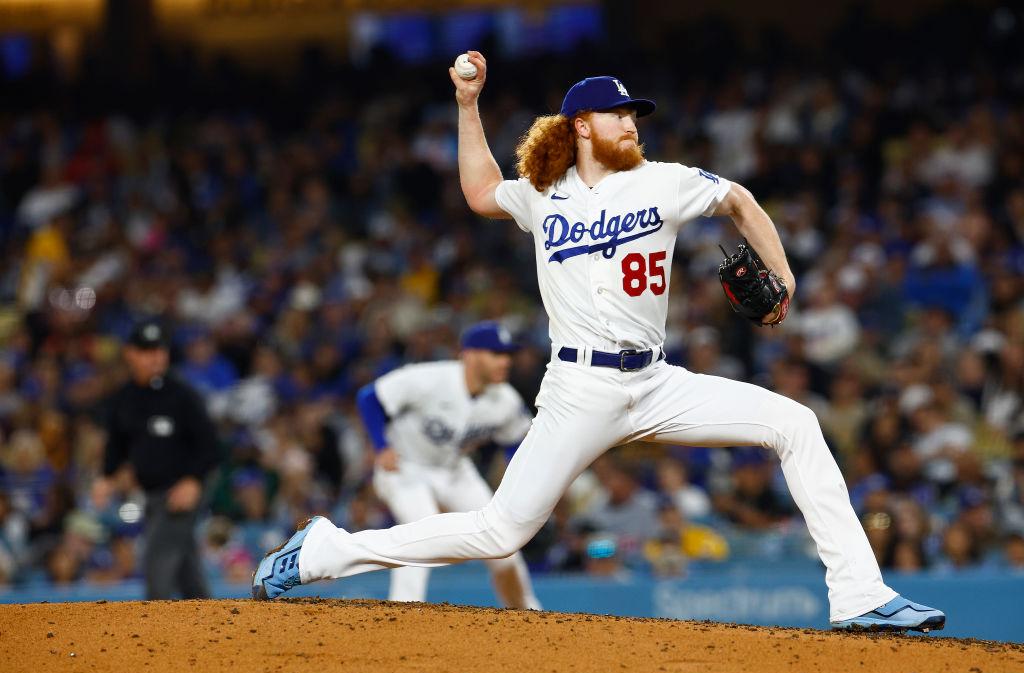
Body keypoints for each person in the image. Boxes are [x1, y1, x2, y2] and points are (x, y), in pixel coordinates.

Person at [253, 52, 945, 632]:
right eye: (620, 114)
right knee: (500, 531)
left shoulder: (664, 182)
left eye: (634, 114)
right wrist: (468, 105)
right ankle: (324, 550)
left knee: (795, 422)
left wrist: (785, 274)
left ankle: (858, 593)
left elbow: (738, 199)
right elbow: (480, 191)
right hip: (579, 389)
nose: (632, 123)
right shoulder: (543, 192)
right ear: (583, 125)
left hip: (657, 382)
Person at [353, 321, 540, 609]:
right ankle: (401, 614)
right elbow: (370, 397)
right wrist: (381, 446)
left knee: (504, 542)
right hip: (405, 466)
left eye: (507, 354)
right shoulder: (430, 379)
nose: (506, 361)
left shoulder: (505, 400)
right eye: (496, 353)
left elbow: (516, 443)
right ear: (470, 354)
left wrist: (518, 482)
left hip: (455, 471)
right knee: (421, 532)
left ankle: (528, 613)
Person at [93, 321, 221, 599]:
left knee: (157, 565)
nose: (156, 357)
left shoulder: (182, 395)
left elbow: (210, 446)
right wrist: (106, 476)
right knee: (187, 572)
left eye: (159, 350)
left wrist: (193, 481)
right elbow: (117, 445)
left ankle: (152, 639)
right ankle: (214, 628)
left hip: (183, 489)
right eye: (147, 350)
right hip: (153, 494)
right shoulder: (123, 399)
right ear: (130, 354)